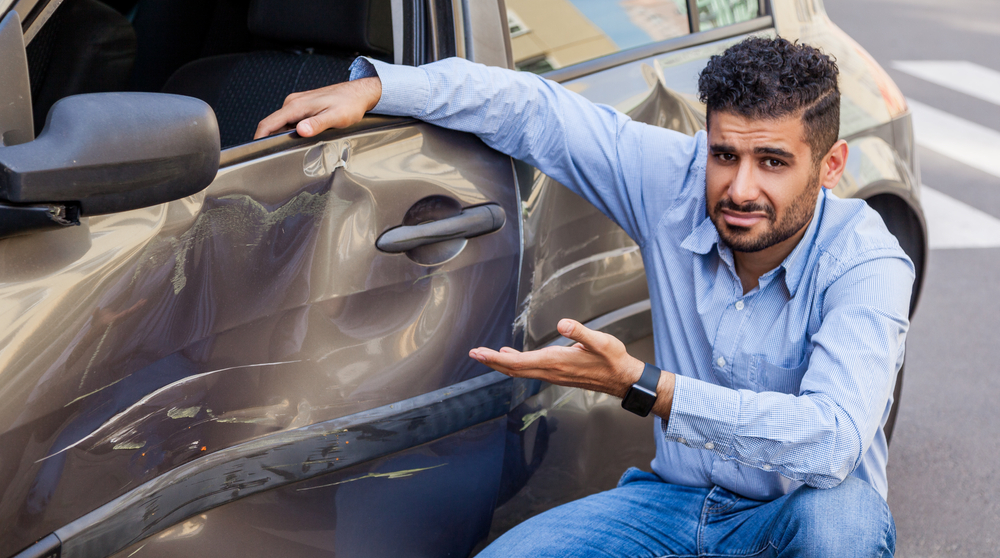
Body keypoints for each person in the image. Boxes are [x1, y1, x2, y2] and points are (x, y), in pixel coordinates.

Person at [255, 37, 912, 557]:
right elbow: (532, 108)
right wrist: (379, 88)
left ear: (830, 166)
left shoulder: (866, 259)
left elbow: (833, 436)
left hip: (799, 510)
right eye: (723, 155)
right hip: (674, 502)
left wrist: (645, 385)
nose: (738, 188)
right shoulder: (672, 177)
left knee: (844, 527)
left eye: (772, 161)